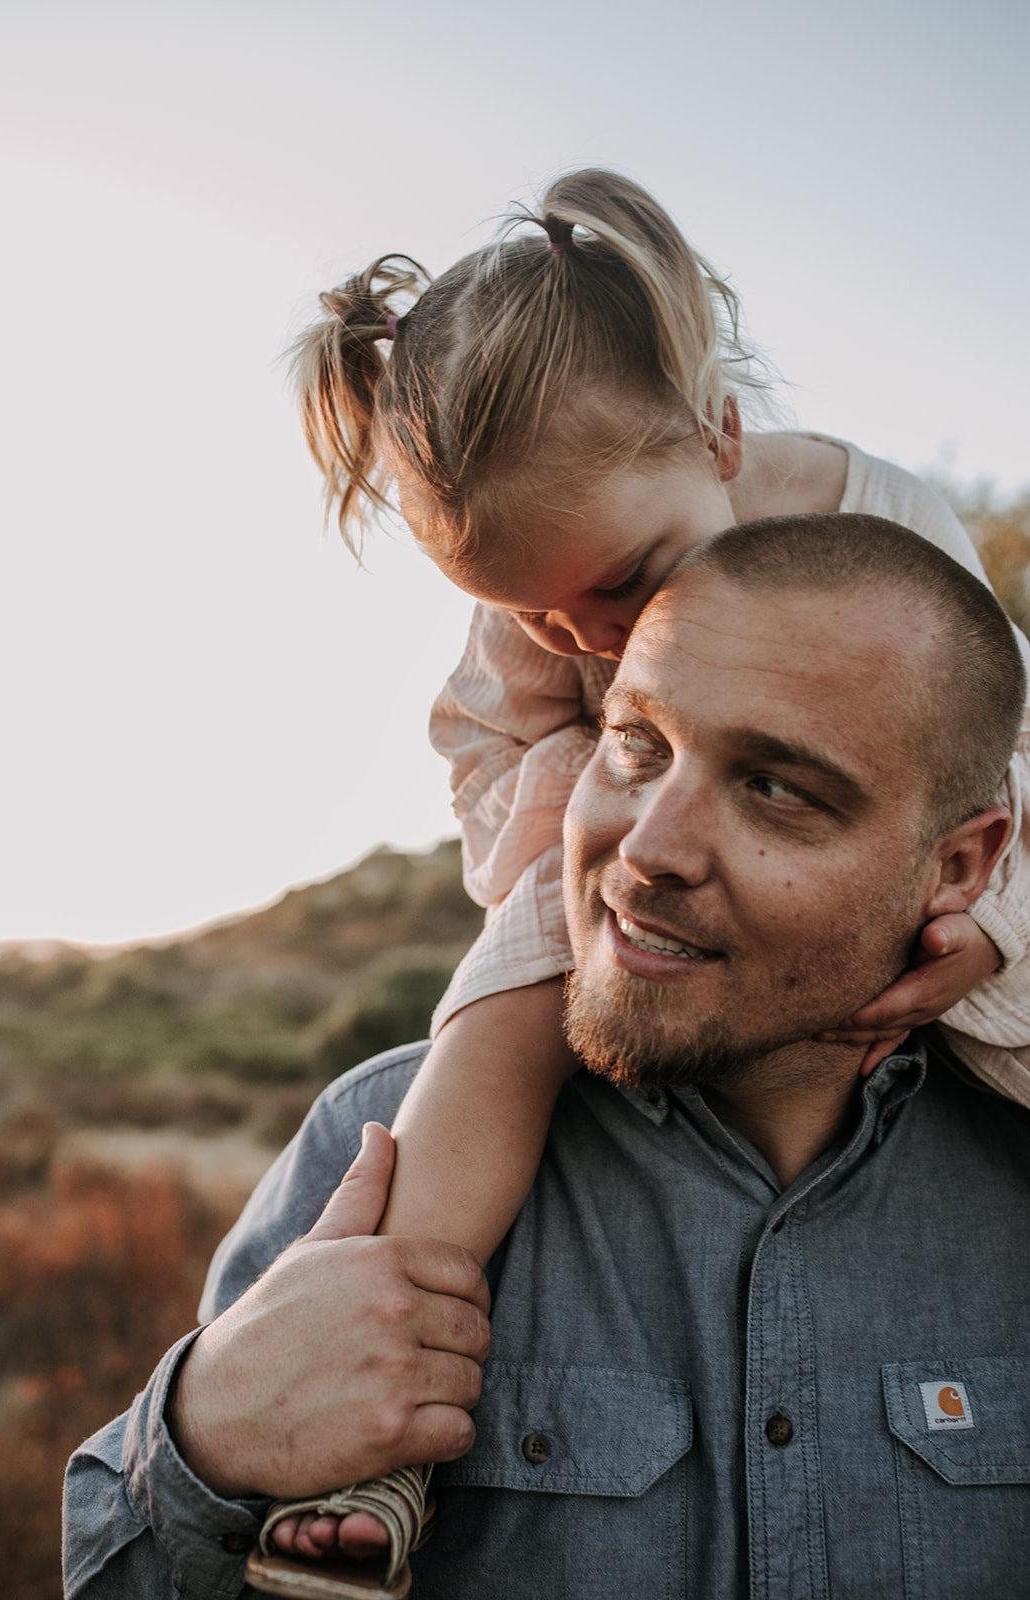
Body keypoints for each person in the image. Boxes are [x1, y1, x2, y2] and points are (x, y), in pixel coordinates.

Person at [263, 168, 1030, 1575]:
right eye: (535, 615)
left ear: (719, 435)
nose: (590, 638)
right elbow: (483, 762)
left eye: (616, 587)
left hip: (934, 875)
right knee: (492, 1035)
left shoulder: (890, 524)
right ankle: (373, 1440)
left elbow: (995, 745)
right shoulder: (557, 600)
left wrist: (987, 917)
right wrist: (586, 792)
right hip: (582, 869)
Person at [64, 513, 1030, 1599]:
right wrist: (202, 1437)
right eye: (635, 747)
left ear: (960, 865)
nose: (646, 848)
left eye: (775, 788)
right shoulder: (381, 1146)